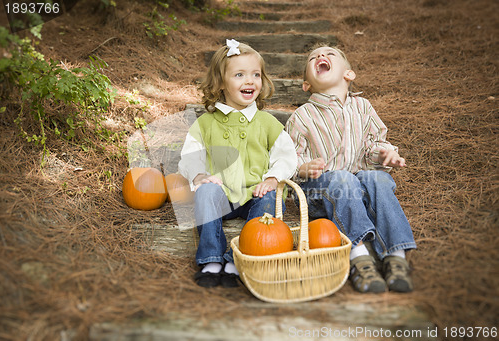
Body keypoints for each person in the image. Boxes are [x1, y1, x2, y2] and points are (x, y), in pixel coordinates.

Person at [285, 45, 416, 293]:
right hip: (321, 193)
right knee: (342, 179)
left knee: (377, 178)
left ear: (349, 74)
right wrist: (303, 168)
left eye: (329, 54)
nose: (320, 57)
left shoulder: (363, 107)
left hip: (360, 187)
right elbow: (289, 160)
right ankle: (360, 258)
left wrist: (385, 153)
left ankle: (396, 257)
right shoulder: (302, 116)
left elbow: (373, 145)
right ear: (306, 85)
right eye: (313, 57)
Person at [178, 39, 298, 288]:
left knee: (270, 201)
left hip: (256, 191)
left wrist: (273, 178)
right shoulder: (206, 123)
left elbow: (286, 156)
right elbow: (191, 154)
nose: (250, 81)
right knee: (206, 192)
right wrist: (199, 176)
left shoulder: (267, 122)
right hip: (221, 192)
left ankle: (235, 260)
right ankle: (211, 260)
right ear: (221, 83)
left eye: (256, 74)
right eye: (240, 74)